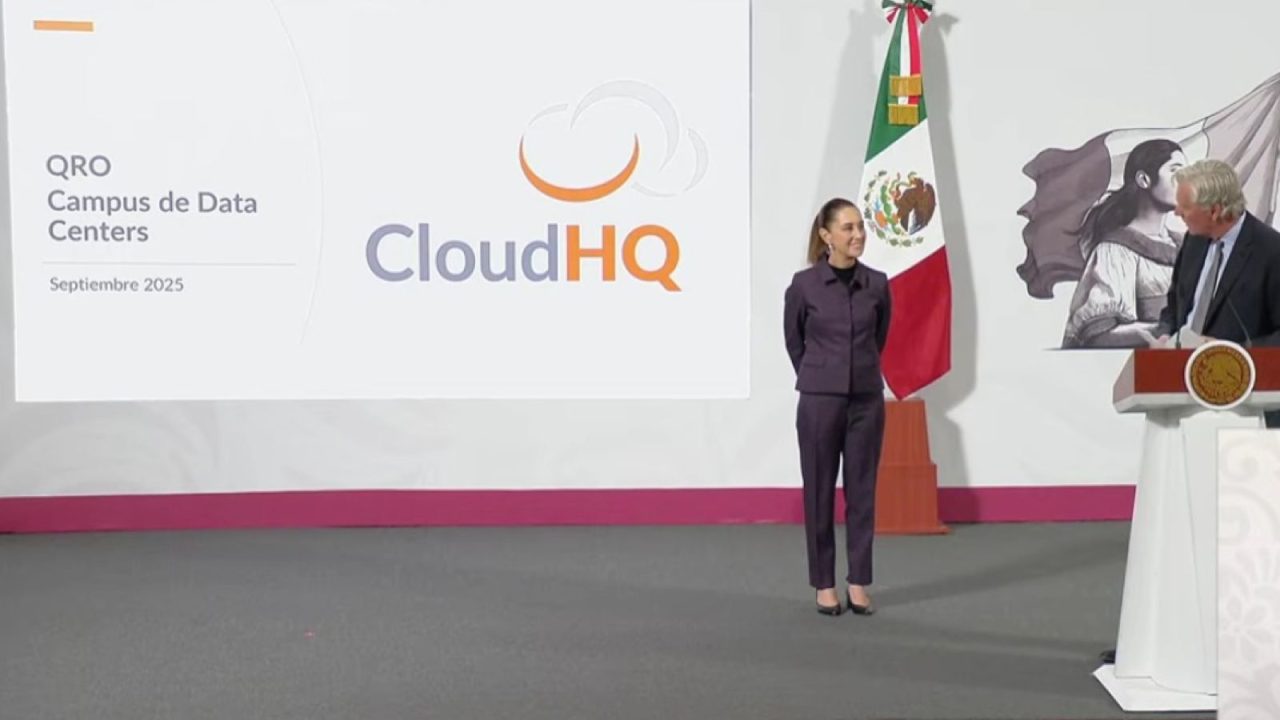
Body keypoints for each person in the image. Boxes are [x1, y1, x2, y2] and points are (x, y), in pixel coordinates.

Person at [783, 197, 892, 617]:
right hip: (819, 401)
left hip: (866, 400)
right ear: (826, 236)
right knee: (819, 492)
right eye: (848, 228)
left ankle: (858, 582)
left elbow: (879, 337)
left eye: (860, 226)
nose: (858, 234)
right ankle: (824, 584)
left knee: (862, 492)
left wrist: (855, 372)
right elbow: (794, 341)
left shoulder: (877, 284)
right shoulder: (804, 286)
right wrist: (820, 375)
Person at [1061, 139, 1186, 348]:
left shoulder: (1190, 245)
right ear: (1144, 180)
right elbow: (1099, 334)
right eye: (1176, 171)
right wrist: (1167, 329)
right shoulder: (1115, 251)